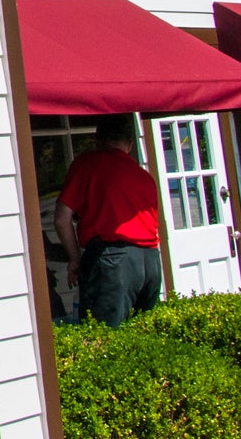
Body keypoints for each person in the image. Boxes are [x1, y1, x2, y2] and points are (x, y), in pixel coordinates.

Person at [53, 115, 164, 326]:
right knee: (143, 332)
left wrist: (75, 258)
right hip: (150, 261)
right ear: (129, 145)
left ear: (98, 139)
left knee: (105, 334)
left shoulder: (87, 165)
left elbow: (61, 218)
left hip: (113, 259)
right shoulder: (144, 176)